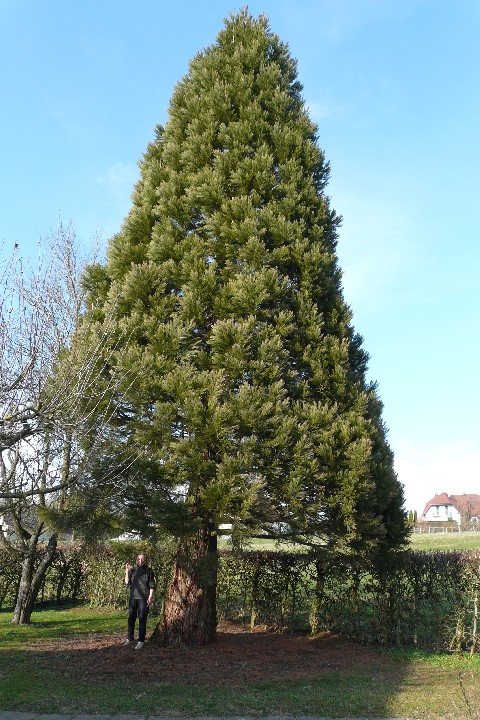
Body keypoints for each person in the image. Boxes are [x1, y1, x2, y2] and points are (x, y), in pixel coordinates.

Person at [124, 552, 156, 650]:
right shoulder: (133, 570)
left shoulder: (149, 571)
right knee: (131, 618)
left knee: (142, 619)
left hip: (143, 598)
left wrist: (150, 597)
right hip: (133, 598)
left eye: (142, 559)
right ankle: (130, 638)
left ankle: (141, 641)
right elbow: (126, 582)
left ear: (145, 560)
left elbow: (152, 585)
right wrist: (127, 571)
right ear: (136, 560)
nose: (140, 561)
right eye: (138, 559)